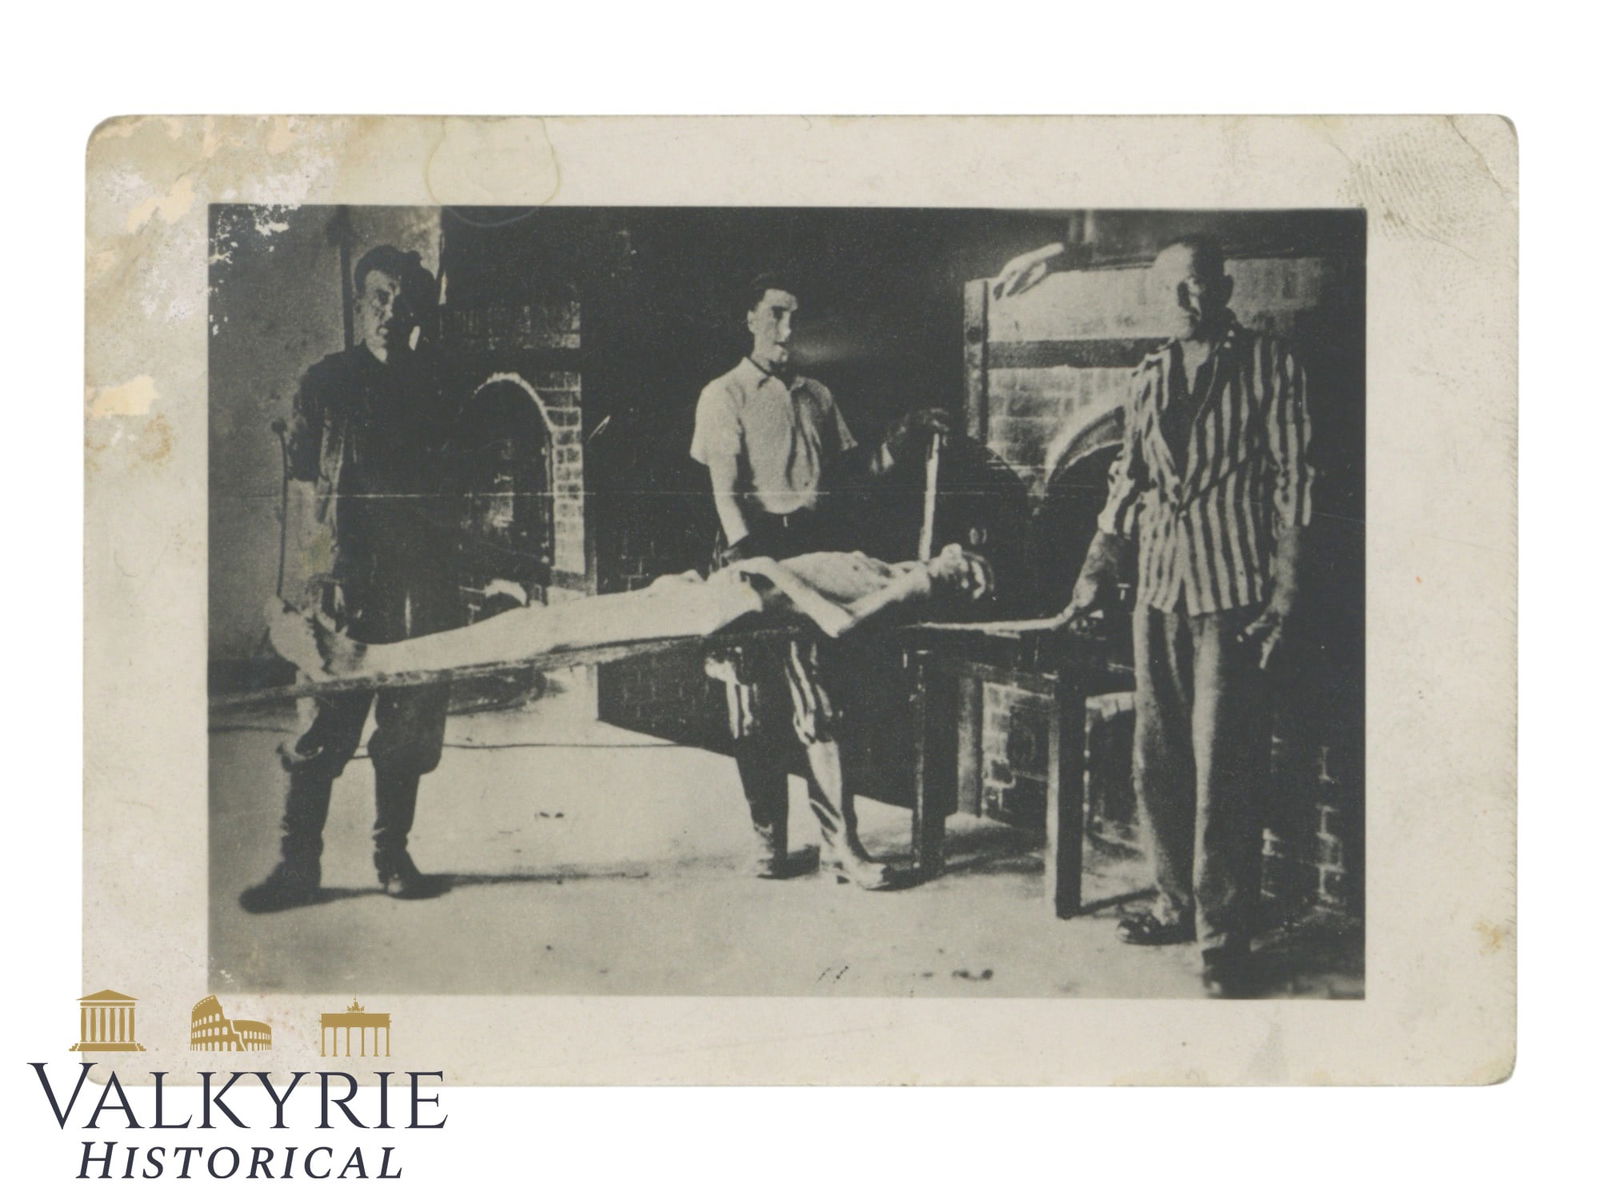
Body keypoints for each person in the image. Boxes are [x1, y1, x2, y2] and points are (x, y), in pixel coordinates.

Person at [1001, 235, 1314, 996]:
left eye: (1195, 284)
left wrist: (1284, 599)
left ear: (1223, 289)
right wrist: (1092, 572)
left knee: (1224, 768)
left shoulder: (1271, 366)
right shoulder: (1147, 378)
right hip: (1159, 591)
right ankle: (1175, 903)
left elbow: (1295, 487)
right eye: (1168, 287)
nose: (1181, 300)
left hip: (1232, 596)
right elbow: (1126, 485)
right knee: (1160, 762)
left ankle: (1223, 941)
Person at [690, 272, 949, 888]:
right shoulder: (724, 394)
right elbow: (725, 495)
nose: (787, 328)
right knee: (751, 708)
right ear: (749, 319)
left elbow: (852, 472)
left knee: (817, 699)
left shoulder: (817, 395)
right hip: (750, 553)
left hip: (808, 550)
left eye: (794, 316)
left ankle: (840, 847)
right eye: (775, 314)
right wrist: (755, 563)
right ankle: (769, 845)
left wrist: (903, 435)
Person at [241, 245, 465, 913]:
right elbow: (306, 486)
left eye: (403, 301)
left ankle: (392, 856)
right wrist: (317, 576)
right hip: (347, 577)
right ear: (361, 305)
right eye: (379, 298)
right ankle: (297, 866)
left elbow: (456, 485)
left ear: (418, 311)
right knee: (325, 722)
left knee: (411, 722)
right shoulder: (328, 381)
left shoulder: (437, 385)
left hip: (422, 581)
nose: (391, 312)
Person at [266, 543, 996, 685]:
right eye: (965, 556)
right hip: (709, 592)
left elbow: (837, 625)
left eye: (964, 574)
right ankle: (353, 654)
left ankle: (355, 659)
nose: (957, 559)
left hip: (723, 606)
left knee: (540, 631)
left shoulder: (904, 591)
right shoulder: (889, 564)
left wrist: (770, 569)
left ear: (951, 585)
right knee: (540, 625)